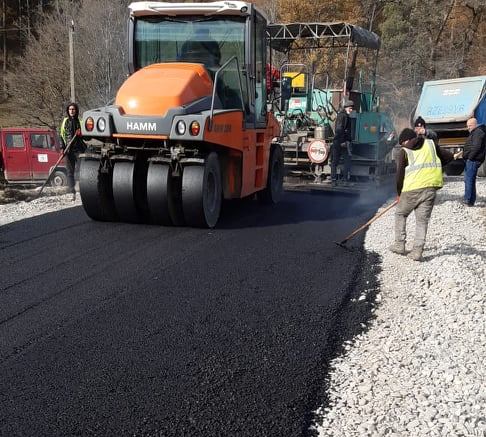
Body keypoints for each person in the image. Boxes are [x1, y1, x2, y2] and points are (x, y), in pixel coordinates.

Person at [389, 128, 461, 261]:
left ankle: (399, 244)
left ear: (406, 140)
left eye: (402, 142)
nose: (402, 145)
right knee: (422, 221)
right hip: (430, 188)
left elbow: (399, 175)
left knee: (400, 213)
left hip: (411, 190)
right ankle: (417, 252)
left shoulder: (403, 151)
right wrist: (438, 165)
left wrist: (399, 193)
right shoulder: (431, 144)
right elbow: (449, 157)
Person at [60, 102, 85, 200]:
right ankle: (72, 192)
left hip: (79, 150)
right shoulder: (65, 121)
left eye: (73, 109)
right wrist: (62, 148)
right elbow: (61, 135)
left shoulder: (80, 121)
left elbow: (87, 137)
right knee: (70, 172)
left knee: (80, 171)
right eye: (70, 109)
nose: (71, 111)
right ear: (68, 111)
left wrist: (82, 133)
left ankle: (81, 191)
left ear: (76, 110)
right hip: (68, 150)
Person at [462, 117, 486, 206]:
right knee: (469, 180)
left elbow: (476, 147)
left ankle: (468, 199)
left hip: (473, 160)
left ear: (475, 125)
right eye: (467, 126)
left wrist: (470, 158)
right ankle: (470, 200)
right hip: (471, 160)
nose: (468, 127)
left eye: (470, 125)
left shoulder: (478, 133)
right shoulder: (475, 132)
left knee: (469, 180)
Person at [330, 99, 354, 185]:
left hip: (343, 142)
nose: (351, 110)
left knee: (346, 161)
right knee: (335, 161)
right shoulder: (342, 116)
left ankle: (343, 180)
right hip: (339, 142)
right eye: (350, 108)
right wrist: (342, 141)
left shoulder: (346, 116)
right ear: (347, 108)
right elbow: (339, 129)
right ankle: (333, 180)